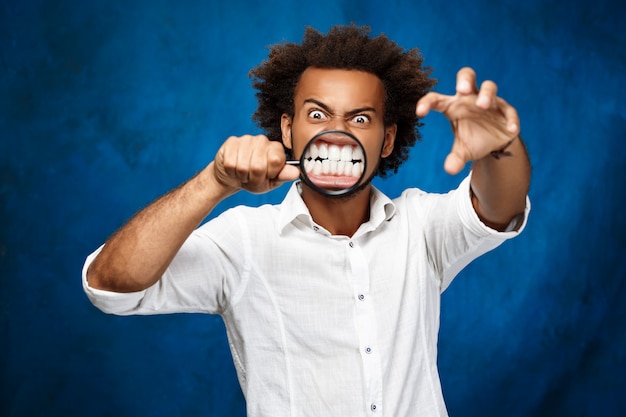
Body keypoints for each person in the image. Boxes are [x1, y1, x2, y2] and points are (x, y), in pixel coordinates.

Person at [83, 25, 531, 417]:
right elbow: (111, 284)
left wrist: (499, 148)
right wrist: (213, 182)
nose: (338, 132)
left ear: (388, 138)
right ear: (287, 129)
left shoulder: (420, 227)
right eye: (317, 114)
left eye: (360, 118)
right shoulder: (243, 240)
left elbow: (499, 207)